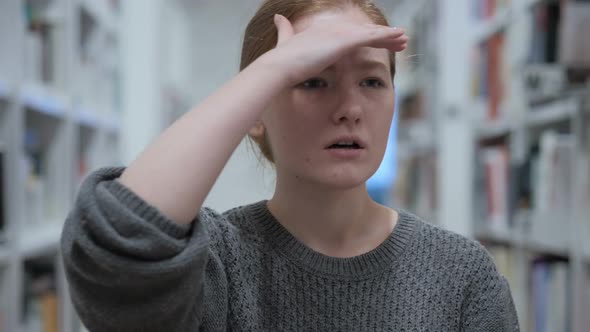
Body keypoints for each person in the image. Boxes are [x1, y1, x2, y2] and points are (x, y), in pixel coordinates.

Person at [60, 0, 519, 331]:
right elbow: (113, 247)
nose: (350, 108)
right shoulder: (217, 263)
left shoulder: (460, 272)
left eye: (373, 81)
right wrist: (271, 70)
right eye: (314, 79)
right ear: (256, 111)